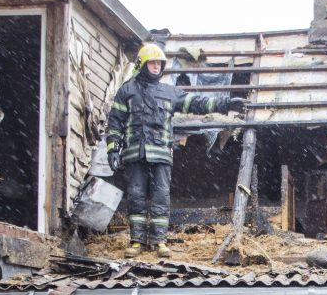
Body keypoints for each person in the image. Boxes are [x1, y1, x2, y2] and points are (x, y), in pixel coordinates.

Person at [106, 43, 247, 258]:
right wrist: (113, 149)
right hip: (135, 153)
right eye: (152, 63)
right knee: (136, 196)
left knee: (161, 196)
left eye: (159, 63)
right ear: (142, 64)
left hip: (161, 154)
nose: (156, 67)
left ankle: (159, 241)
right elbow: (115, 122)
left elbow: (197, 102)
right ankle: (137, 241)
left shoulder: (169, 92)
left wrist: (226, 103)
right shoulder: (127, 91)